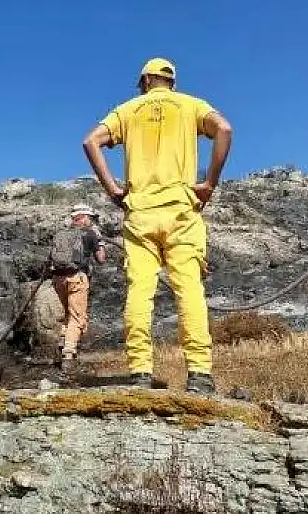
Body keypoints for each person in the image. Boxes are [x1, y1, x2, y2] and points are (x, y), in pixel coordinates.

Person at [82, 57, 233, 394]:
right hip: (181, 211)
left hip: (140, 213)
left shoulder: (128, 110)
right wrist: (209, 182)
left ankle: (139, 371)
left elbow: (90, 141)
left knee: (139, 291)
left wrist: (113, 190)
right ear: (171, 81)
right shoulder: (191, 105)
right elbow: (224, 128)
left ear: (146, 81)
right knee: (189, 290)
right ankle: (199, 373)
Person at [49, 204, 107, 368]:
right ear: (83, 217)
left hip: (58, 279)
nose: (91, 221)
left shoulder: (61, 234)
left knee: (68, 312)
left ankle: (64, 339)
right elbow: (101, 259)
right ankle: (68, 352)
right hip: (77, 278)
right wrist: (100, 243)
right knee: (77, 317)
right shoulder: (89, 234)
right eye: (90, 218)